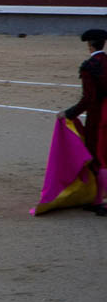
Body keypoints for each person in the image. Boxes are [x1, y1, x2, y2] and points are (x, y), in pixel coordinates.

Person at [60, 28, 107, 189]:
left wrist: (69, 113)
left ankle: (99, 200)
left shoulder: (90, 66)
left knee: (97, 155)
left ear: (89, 45)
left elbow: (89, 99)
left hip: (99, 116)